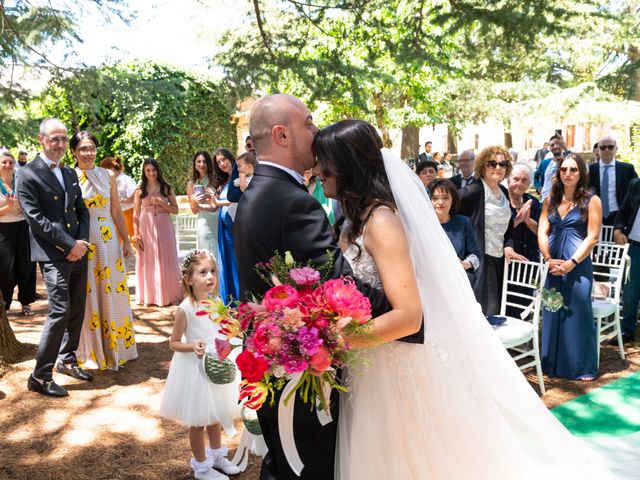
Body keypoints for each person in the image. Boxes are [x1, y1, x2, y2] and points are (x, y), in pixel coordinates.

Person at [312, 119, 618, 480]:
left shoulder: (381, 220)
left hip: (393, 363)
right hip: (370, 361)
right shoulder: (353, 219)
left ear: (347, 164)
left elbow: (410, 316)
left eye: (323, 161)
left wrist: (333, 341)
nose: (317, 170)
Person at [233, 94, 401, 480]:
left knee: (285, 464)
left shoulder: (261, 191)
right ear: (282, 135)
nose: (317, 130)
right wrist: (405, 314)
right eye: (308, 123)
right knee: (305, 468)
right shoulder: (291, 201)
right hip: (298, 372)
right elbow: (340, 284)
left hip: (277, 360)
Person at [16, 118, 92, 397]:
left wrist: (81, 243)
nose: (60, 144)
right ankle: (40, 374)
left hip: (78, 251)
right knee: (59, 312)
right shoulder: (27, 174)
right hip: (53, 254)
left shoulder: (70, 173)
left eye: (63, 139)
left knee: (76, 310)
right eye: (54, 139)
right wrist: (69, 244)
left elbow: (81, 210)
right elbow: (35, 220)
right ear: (41, 140)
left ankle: (67, 359)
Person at [159, 249, 240, 480]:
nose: (210, 277)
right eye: (203, 272)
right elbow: (173, 343)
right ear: (189, 278)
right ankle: (202, 467)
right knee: (198, 421)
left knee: (215, 414)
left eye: (213, 271)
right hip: (196, 369)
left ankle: (217, 456)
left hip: (216, 365)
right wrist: (192, 345)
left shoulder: (217, 301)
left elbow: (221, 329)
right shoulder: (186, 308)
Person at [70, 132, 137, 371]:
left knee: (112, 289)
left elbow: (117, 212)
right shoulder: (69, 176)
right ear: (74, 152)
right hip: (84, 240)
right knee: (87, 293)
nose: (88, 153)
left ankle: (116, 346)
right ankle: (91, 349)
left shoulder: (108, 175)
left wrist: (126, 241)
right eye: (82, 149)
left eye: (91, 148)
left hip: (109, 241)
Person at [538, 154, 601, 381]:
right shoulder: (550, 201)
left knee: (578, 313)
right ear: (558, 173)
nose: (568, 173)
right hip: (552, 265)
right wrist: (547, 258)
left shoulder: (592, 201)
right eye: (564, 169)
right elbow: (542, 231)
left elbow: (592, 237)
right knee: (553, 311)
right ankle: (552, 365)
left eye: (573, 169)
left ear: (581, 173)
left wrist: (572, 263)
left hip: (578, 266)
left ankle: (581, 366)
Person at [458, 146, 525, 315]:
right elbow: (449, 205)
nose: (498, 168)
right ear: (482, 166)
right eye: (492, 163)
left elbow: (508, 225)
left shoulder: (502, 191)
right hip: (481, 261)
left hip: (499, 260)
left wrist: (508, 246)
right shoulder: (476, 190)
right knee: (485, 311)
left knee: (496, 312)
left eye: (502, 164)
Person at [133, 158, 182, 306]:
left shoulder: (166, 188)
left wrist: (161, 203)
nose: (151, 173)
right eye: (148, 170)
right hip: (146, 226)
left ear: (158, 171)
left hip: (164, 225)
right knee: (148, 259)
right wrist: (136, 234)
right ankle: (150, 296)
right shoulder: (139, 190)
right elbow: (135, 213)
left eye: (153, 170)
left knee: (165, 258)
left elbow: (176, 210)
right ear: (144, 171)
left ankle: (168, 295)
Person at [0, 149, 36, 315]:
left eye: (10, 162)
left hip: (22, 226)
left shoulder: (20, 179)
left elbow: (31, 202)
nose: (7, 165)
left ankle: (26, 302)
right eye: (4, 162)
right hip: (3, 229)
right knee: (5, 267)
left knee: (26, 264)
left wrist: (22, 207)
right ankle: (4, 303)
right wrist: (8, 207)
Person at [429, 178, 480, 274]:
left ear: (452, 200)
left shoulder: (463, 222)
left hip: (455, 278)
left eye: (445, 197)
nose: (440, 202)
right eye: (435, 198)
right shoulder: (423, 224)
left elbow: (476, 255)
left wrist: (464, 264)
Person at [587, 136, 637, 226]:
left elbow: (635, 192)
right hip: (595, 216)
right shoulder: (590, 169)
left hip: (619, 217)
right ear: (598, 150)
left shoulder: (627, 169)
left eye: (610, 147)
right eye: (603, 147)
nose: (606, 150)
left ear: (616, 149)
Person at [211, 148, 240, 302]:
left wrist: (218, 202)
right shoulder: (222, 182)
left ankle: (240, 297)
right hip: (224, 228)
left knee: (236, 262)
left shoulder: (241, 175)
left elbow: (239, 198)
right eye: (218, 162)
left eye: (224, 159)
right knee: (227, 262)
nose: (222, 164)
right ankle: (230, 299)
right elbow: (215, 206)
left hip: (236, 226)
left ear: (230, 158)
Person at [614, 177, 640, 343]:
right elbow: (623, 212)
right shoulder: (636, 184)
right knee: (630, 291)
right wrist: (617, 229)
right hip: (634, 247)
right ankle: (627, 331)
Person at [187, 151, 219, 254]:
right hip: (203, 222)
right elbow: (194, 210)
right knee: (207, 254)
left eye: (204, 161)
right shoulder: (191, 184)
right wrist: (195, 201)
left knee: (219, 253)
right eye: (199, 161)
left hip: (218, 221)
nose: (201, 164)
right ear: (195, 165)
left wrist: (212, 196)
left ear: (208, 163)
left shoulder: (216, 179)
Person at [507, 164, 541, 261]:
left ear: (529, 183)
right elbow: (497, 232)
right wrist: (517, 220)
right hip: (507, 258)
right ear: (509, 180)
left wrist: (529, 221)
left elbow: (541, 232)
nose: (520, 183)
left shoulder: (533, 201)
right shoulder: (502, 200)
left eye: (524, 180)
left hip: (530, 258)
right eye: (516, 179)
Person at [101, 156, 137, 244]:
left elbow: (136, 197)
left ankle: (138, 256)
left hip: (129, 212)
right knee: (117, 239)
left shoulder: (126, 180)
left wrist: (120, 201)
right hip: (117, 213)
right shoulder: (111, 181)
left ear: (112, 169)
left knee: (133, 238)